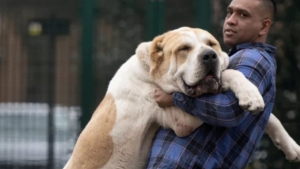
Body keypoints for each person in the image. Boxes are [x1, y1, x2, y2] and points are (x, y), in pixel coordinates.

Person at [147, 0, 277, 168]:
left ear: (264, 27)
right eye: (230, 12)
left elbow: (228, 108)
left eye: (243, 15)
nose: (230, 20)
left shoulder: (251, 57)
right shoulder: (233, 58)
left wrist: (174, 99)